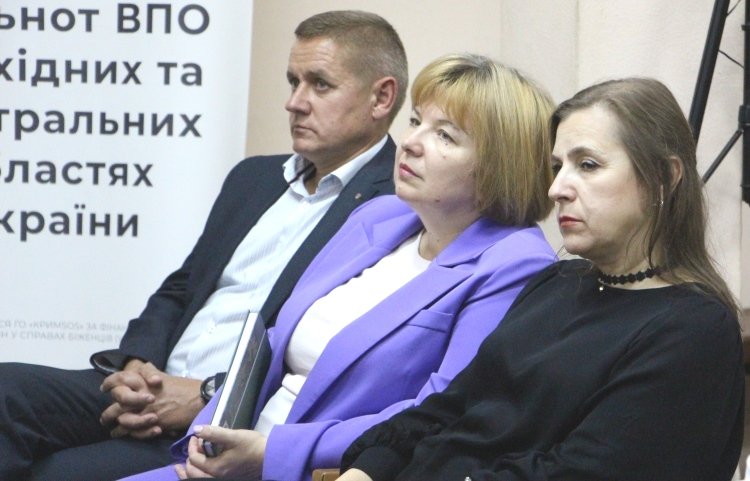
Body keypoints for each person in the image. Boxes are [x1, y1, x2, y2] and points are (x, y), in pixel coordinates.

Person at [0, 10, 408, 481]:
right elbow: (182, 288)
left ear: (381, 97)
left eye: (319, 85)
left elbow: (331, 353)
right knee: (6, 389)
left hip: (229, 421)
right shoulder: (253, 178)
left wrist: (206, 393)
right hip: (151, 384)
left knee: (56, 473)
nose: (294, 103)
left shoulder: (397, 206)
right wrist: (138, 367)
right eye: (293, 81)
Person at [119, 53, 558, 481]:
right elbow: (272, 343)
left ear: (500, 164)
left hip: (327, 469)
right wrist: (209, 434)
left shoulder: (513, 263)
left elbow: (439, 410)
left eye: (444, 135)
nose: (411, 142)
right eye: (415, 121)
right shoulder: (380, 216)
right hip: (233, 455)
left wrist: (272, 455)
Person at [337, 77, 745, 481]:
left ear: (663, 178)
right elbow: (449, 408)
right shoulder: (556, 282)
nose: (556, 189)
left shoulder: (694, 330)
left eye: (587, 165)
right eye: (557, 167)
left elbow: (583, 472)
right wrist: (367, 471)